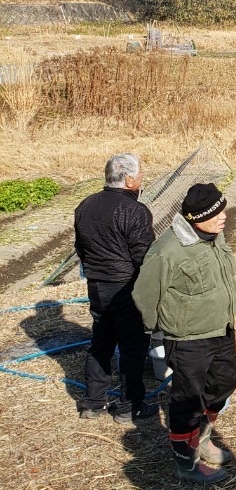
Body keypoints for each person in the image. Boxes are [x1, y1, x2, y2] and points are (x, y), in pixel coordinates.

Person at [133, 183, 236, 484]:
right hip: (189, 338)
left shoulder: (215, 237)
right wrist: (160, 329)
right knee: (187, 399)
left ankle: (202, 437)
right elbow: (145, 295)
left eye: (223, 209)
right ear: (196, 218)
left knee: (225, 383)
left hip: (222, 329)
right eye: (216, 213)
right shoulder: (168, 251)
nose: (223, 217)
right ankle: (185, 461)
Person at [73, 153, 158, 424]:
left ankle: (93, 403)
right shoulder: (135, 210)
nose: (142, 178)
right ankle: (128, 406)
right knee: (133, 346)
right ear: (130, 179)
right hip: (125, 287)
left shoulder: (85, 205)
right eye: (140, 174)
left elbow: (81, 249)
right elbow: (144, 256)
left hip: (96, 285)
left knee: (101, 341)